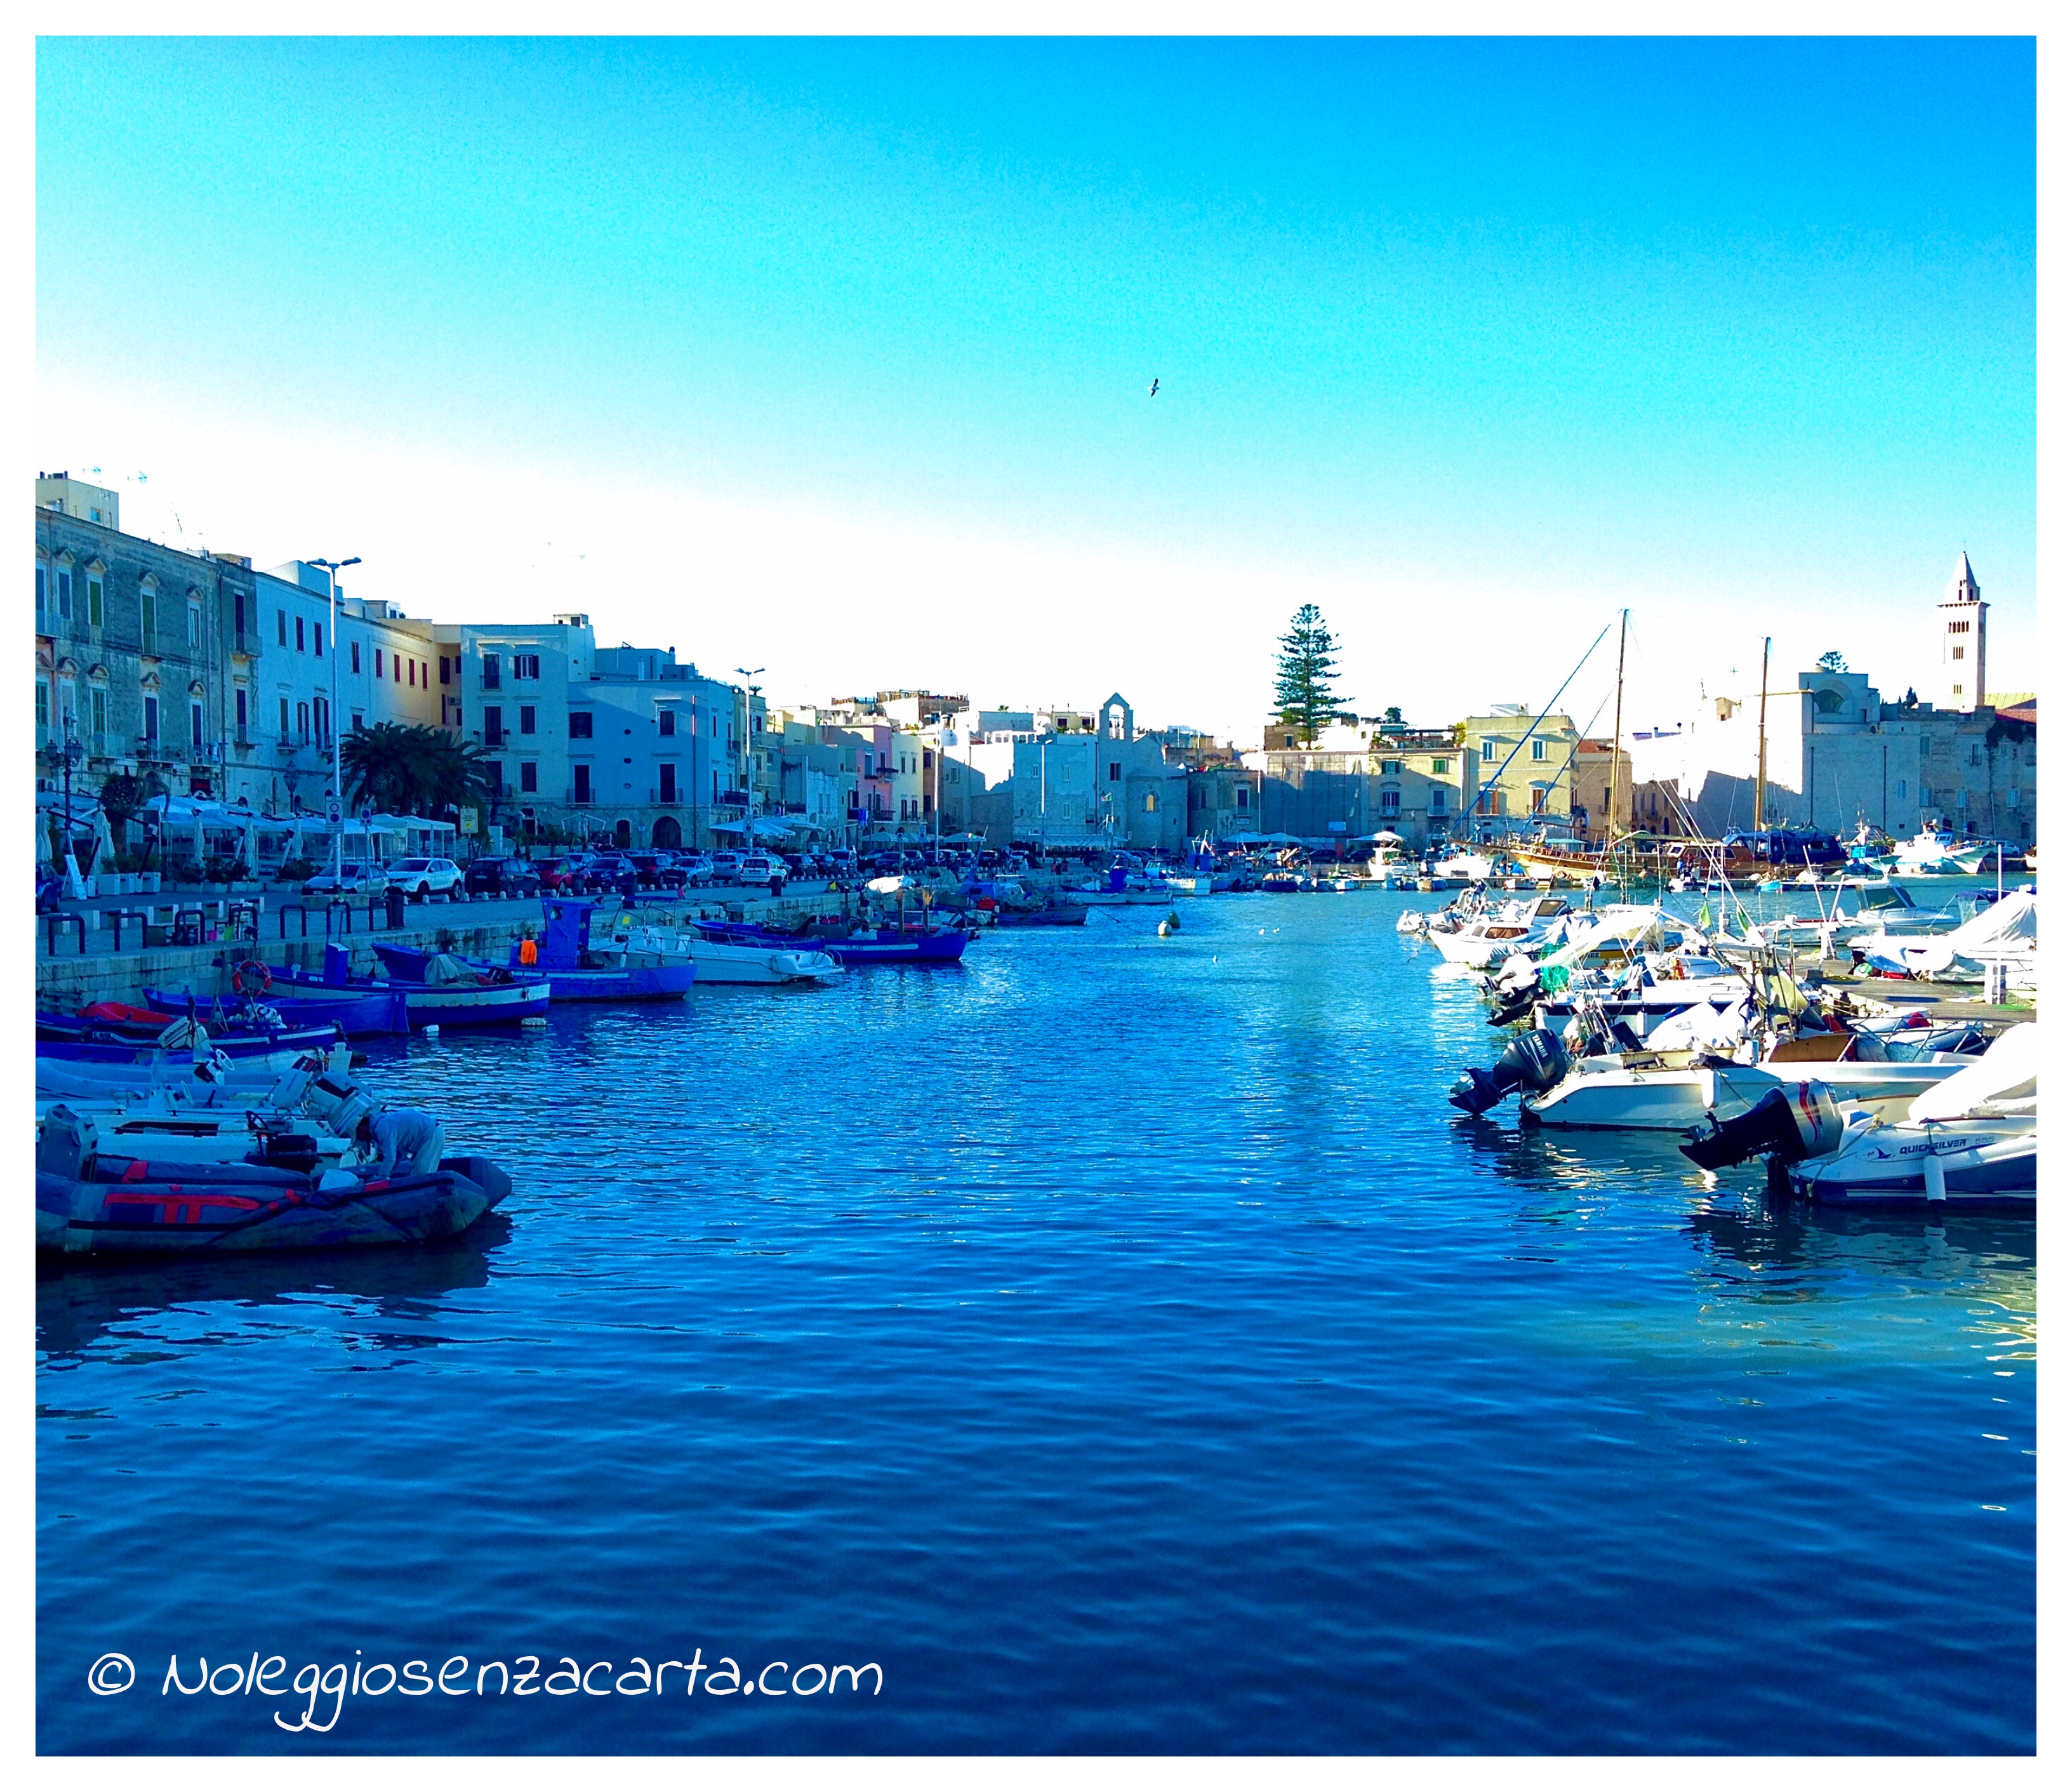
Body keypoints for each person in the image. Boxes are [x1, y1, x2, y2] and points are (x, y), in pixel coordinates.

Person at [354, 1108, 446, 1180]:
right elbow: (398, 1155)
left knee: (421, 1175)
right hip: (433, 1133)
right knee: (420, 1173)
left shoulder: (381, 1128)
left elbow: (390, 1158)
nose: (362, 1138)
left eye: (359, 1134)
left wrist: (380, 1179)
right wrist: (389, 1174)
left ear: (363, 1127)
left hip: (430, 1136)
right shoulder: (385, 1123)